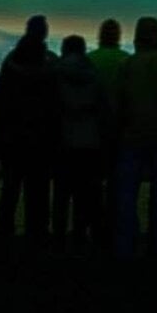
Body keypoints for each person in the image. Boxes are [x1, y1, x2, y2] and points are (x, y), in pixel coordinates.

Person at [112, 17, 157, 261]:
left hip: (131, 138)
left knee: (126, 196)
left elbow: (117, 105)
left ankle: (125, 248)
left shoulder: (127, 66)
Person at [0, 14, 59, 253]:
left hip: (13, 138)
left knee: (10, 191)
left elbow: (1, 104)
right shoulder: (51, 64)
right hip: (41, 139)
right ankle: (38, 239)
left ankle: (4, 239)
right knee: (39, 195)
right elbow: (55, 106)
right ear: (45, 33)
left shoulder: (10, 63)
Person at [51, 35, 108, 255]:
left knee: (61, 197)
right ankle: (81, 239)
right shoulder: (95, 75)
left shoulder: (55, 74)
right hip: (90, 144)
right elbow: (103, 112)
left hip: (63, 143)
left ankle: (57, 241)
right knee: (86, 196)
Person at [87, 18, 130, 248]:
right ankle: (115, 229)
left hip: (93, 131)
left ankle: (94, 228)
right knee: (117, 185)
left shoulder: (91, 60)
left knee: (93, 184)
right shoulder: (126, 60)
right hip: (121, 132)